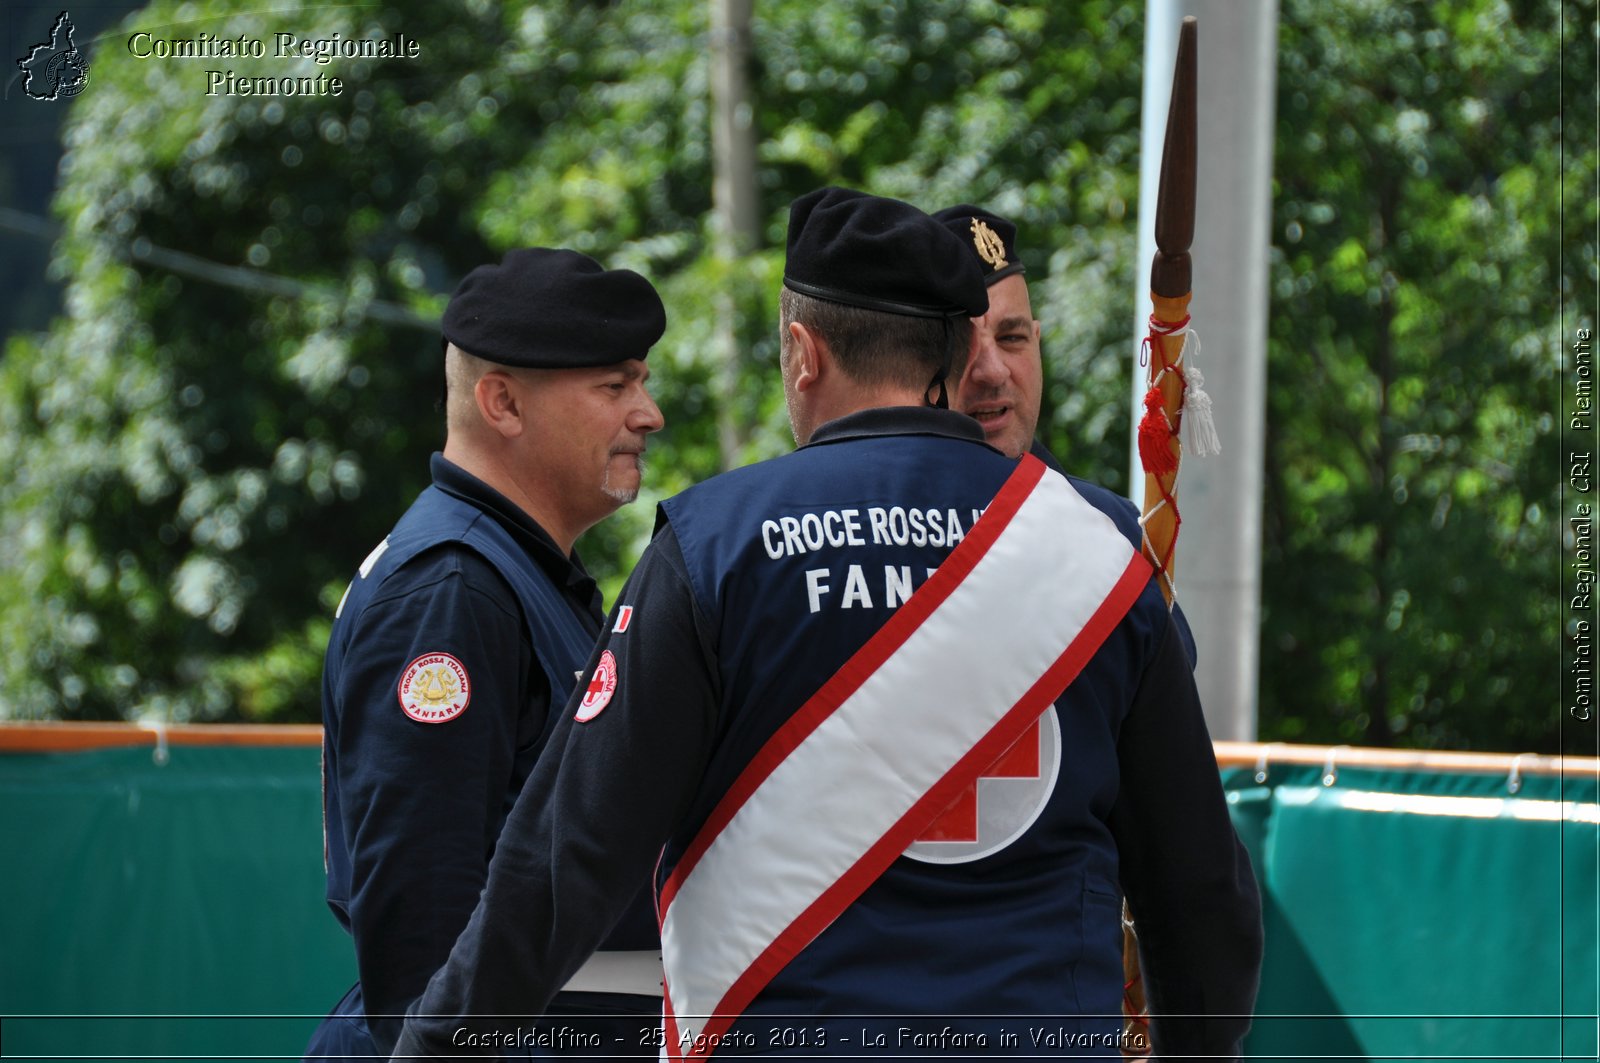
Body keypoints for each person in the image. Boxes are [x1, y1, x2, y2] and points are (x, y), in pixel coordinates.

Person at [392, 188, 1262, 1061]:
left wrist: (431, 1049)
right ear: (957, 355)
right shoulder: (1099, 556)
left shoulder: (714, 547)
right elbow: (1201, 897)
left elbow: (560, 867)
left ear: (803, 354)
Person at [306, 248, 669, 1061]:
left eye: (640, 383)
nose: (648, 413)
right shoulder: (451, 591)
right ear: (502, 402)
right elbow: (424, 964)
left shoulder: (515, 572)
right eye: (614, 387)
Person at [933, 203, 1198, 665]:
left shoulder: (1113, 534)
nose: (993, 372)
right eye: (963, 345)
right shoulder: (876, 531)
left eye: (1012, 338)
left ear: (1037, 342)